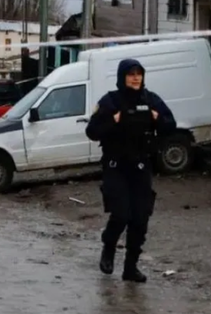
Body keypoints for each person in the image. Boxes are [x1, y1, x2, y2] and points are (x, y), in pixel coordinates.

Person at [85, 59, 176, 283]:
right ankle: (109, 246)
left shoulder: (151, 99)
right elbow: (92, 131)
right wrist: (113, 121)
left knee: (140, 218)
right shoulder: (110, 101)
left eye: (139, 74)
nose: (135, 78)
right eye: (131, 74)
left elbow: (170, 126)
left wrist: (157, 118)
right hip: (116, 165)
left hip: (141, 166)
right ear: (122, 77)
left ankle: (130, 267)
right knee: (121, 214)